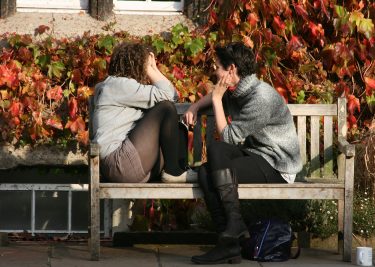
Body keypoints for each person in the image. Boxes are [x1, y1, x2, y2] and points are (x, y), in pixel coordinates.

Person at [184, 42, 302, 264]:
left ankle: (232, 230)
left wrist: (217, 100)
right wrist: (195, 107)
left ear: (231, 70)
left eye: (218, 66)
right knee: (204, 172)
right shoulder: (238, 89)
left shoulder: (261, 98)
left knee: (217, 151)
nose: (214, 71)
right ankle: (228, 242)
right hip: (256, 155)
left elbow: (228, 137)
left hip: (277, 166)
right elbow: (212, 97)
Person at [92, 42, 197, 184]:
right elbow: (169, 96)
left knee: (176, 127)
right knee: (165, 108)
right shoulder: (119, 85)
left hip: (126, 166)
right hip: (119, 164)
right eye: (145, 64)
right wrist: (151, 68)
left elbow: (172, 95)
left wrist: (152, 67)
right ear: (137, 65)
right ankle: (173, 172)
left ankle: (180, 170)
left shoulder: (121, 88)